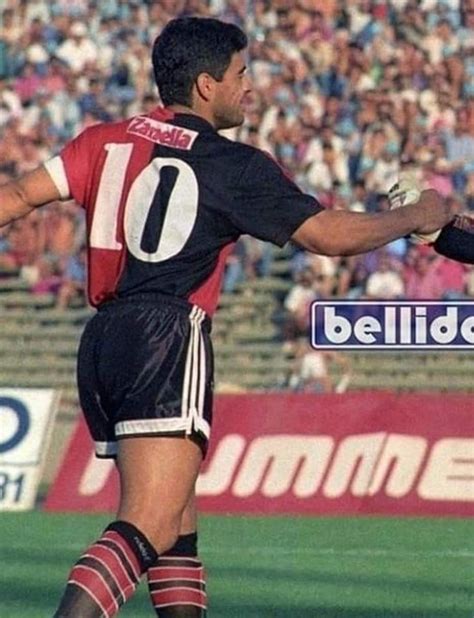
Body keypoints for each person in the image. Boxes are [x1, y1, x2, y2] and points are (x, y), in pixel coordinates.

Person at [0, 17, 453, 618]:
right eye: (242, 74)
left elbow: (17, 198)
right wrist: (418, 214)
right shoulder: (233, 163)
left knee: (177, 523)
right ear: (207, 86)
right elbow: (329, 235)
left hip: (104, 339)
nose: (251, 87)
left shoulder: (101, 140)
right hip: (167, 336)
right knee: (150, 522)